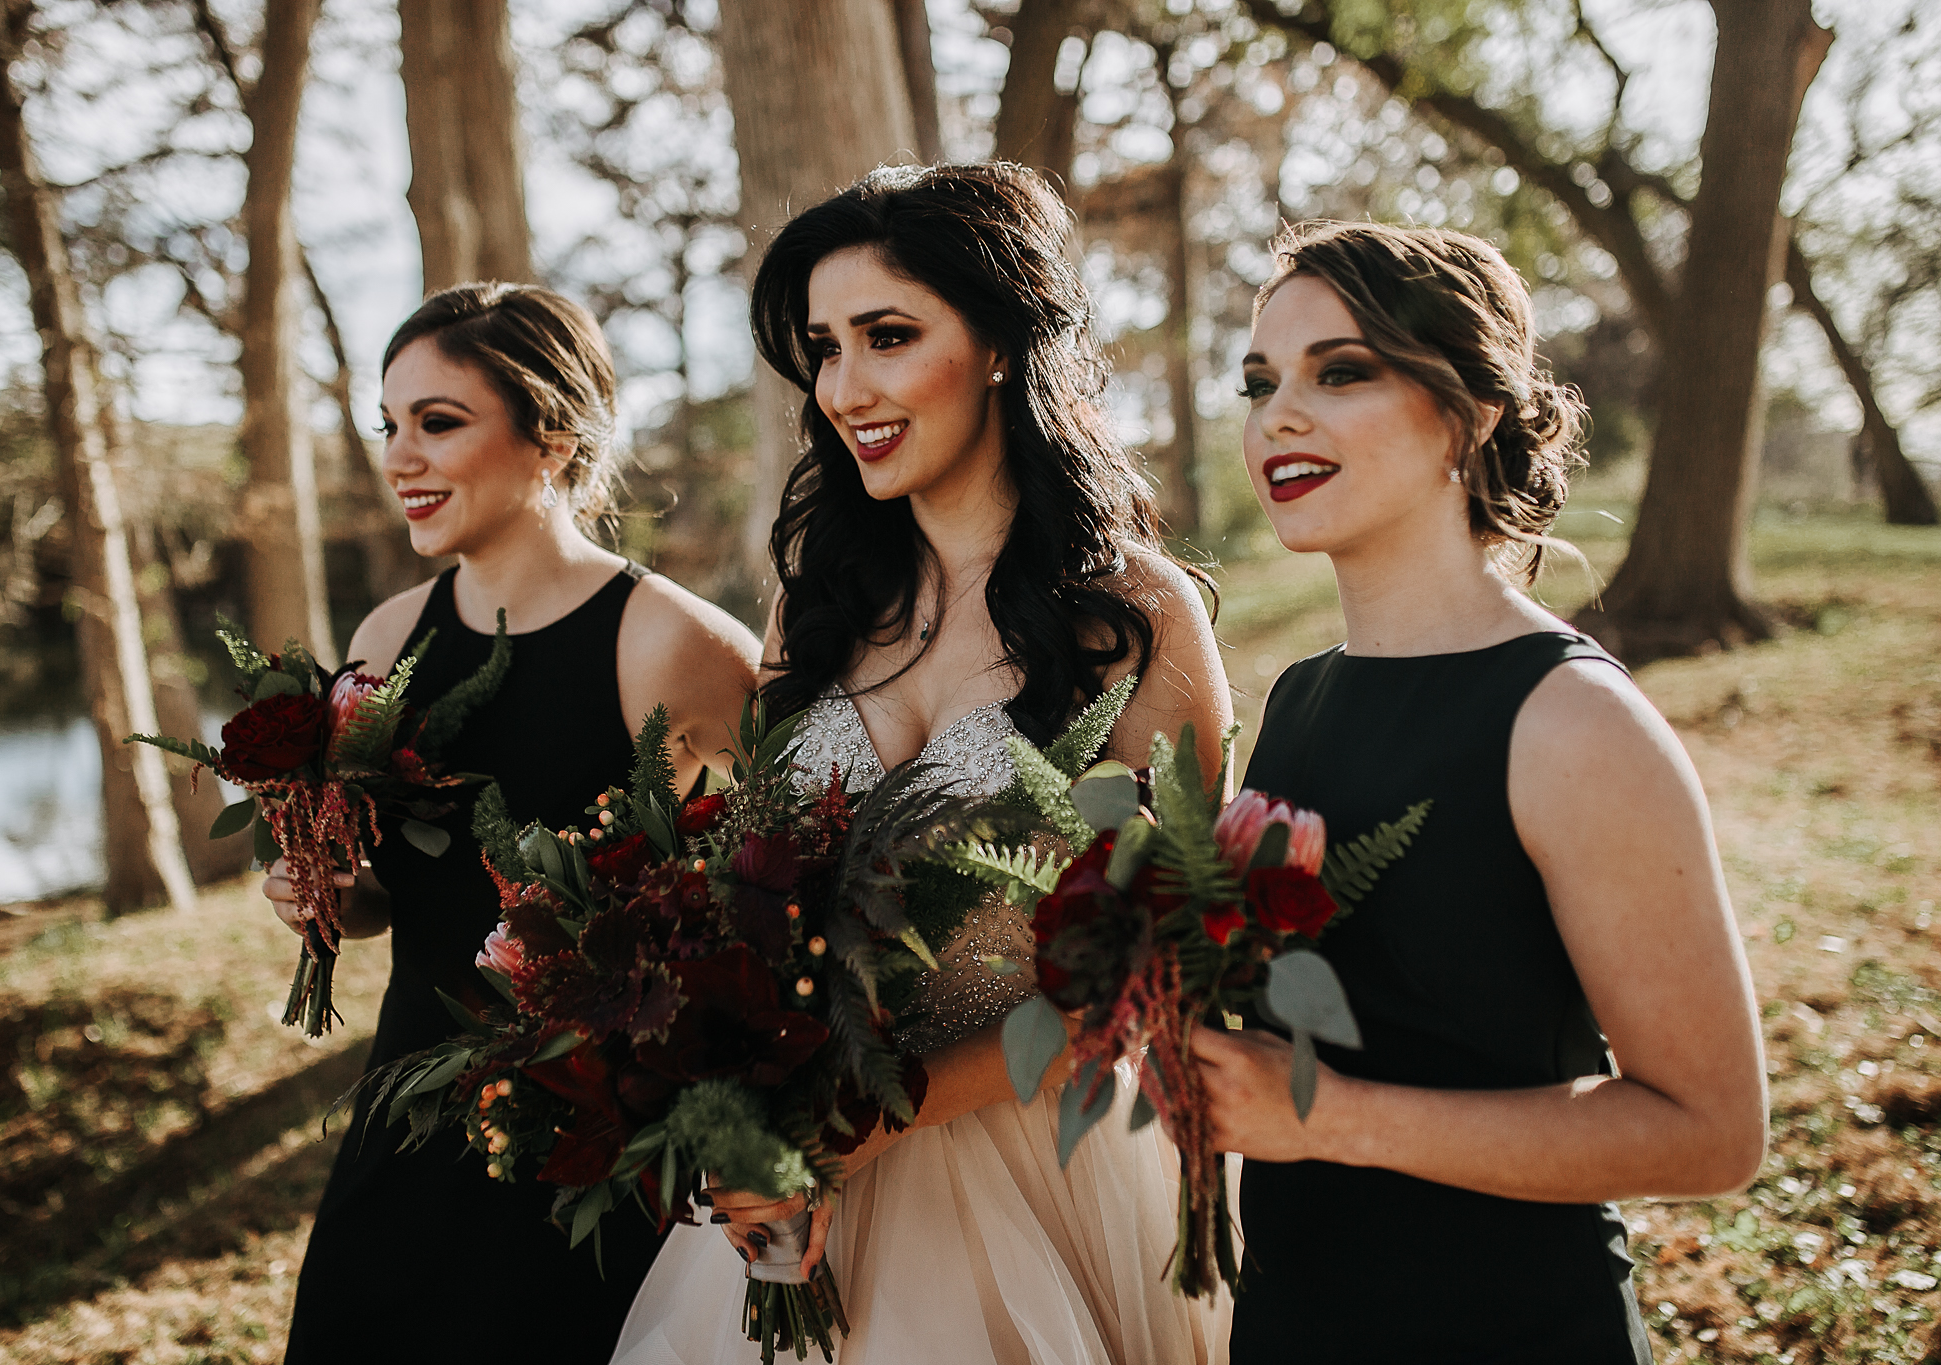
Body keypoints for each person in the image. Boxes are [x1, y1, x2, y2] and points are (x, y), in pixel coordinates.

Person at [612, 163, 1237, 1365]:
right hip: (798, 1181)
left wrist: (873, 1116)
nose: (846, 387)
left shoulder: (1134, 617)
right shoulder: (820, 612)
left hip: (1038, 1169)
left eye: (887, 337)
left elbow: (1169, 958)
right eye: (823, 349)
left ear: (1001, 342)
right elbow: (763, 898)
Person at [1191, 221, 1768, 1363]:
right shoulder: (1297, 700)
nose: (1277, 418)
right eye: (1260, 382)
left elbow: (1709, 1134)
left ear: (1472, 410)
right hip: (1296, 1317)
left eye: (1339, 371)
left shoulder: (1572, 724)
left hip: (1501, 1327)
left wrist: (1328, 1122)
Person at [264, 283, 761, 1363]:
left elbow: (749, 933)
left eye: (438, 423)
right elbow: (391, 899)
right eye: (387, 426)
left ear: (554, 435)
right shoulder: (389, 633)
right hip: (406, 1121)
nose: (400, 458)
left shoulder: (671, 646)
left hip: (593, 1147)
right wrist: (330, 893)